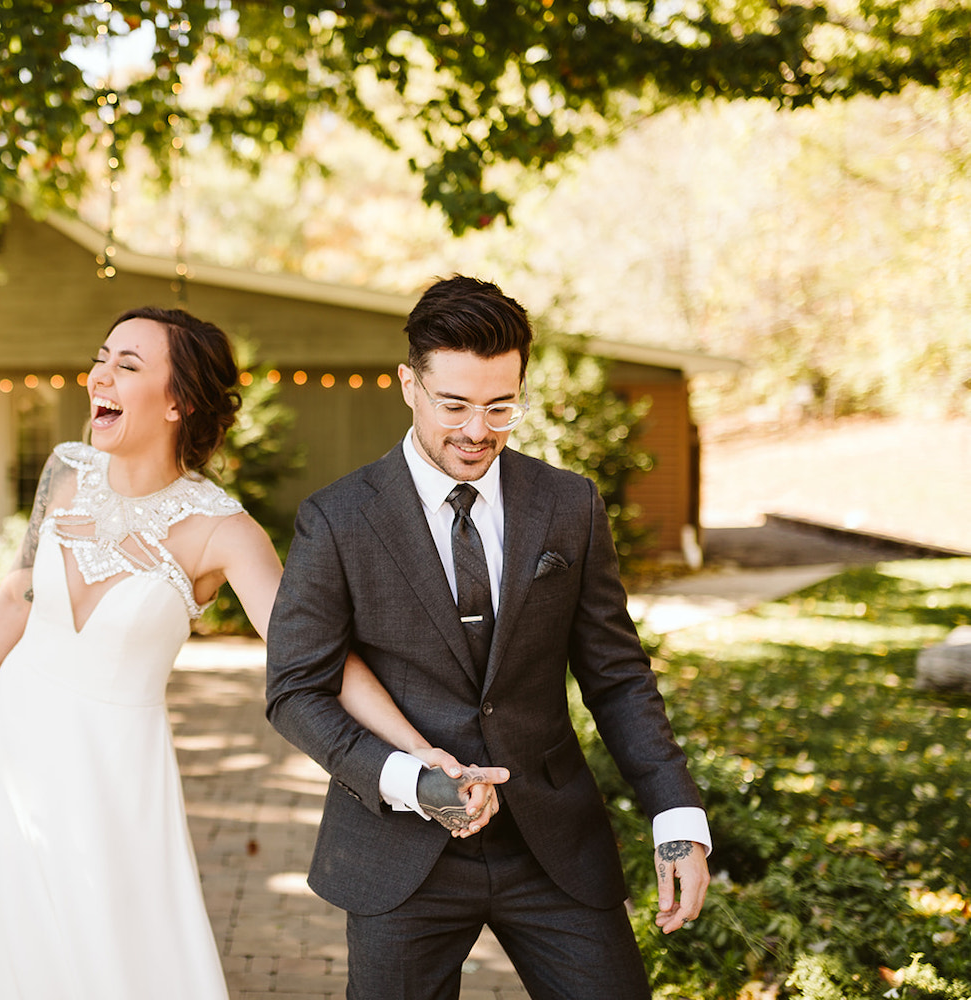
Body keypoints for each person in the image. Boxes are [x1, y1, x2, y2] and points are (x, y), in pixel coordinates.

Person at [0, 305, 472, 999]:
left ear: (180, 401)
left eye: (127, 365)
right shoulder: (64, 472)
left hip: (112, 775)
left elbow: (317, 657)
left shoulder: (224, 532)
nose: (99, 376)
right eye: (101, 357)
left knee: (108, 957)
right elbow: (13, 602)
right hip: (9, 749)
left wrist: (418, 750)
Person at [265, 275, 712, 1000]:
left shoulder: (569, 504)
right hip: (399, 851)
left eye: (501, 406)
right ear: (408, 384)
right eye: (456, 405)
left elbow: (617, 676)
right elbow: (295, 689)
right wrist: (411, 780)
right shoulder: (337, 519)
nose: (478, 431)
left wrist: (678, 815)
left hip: (554, 847)